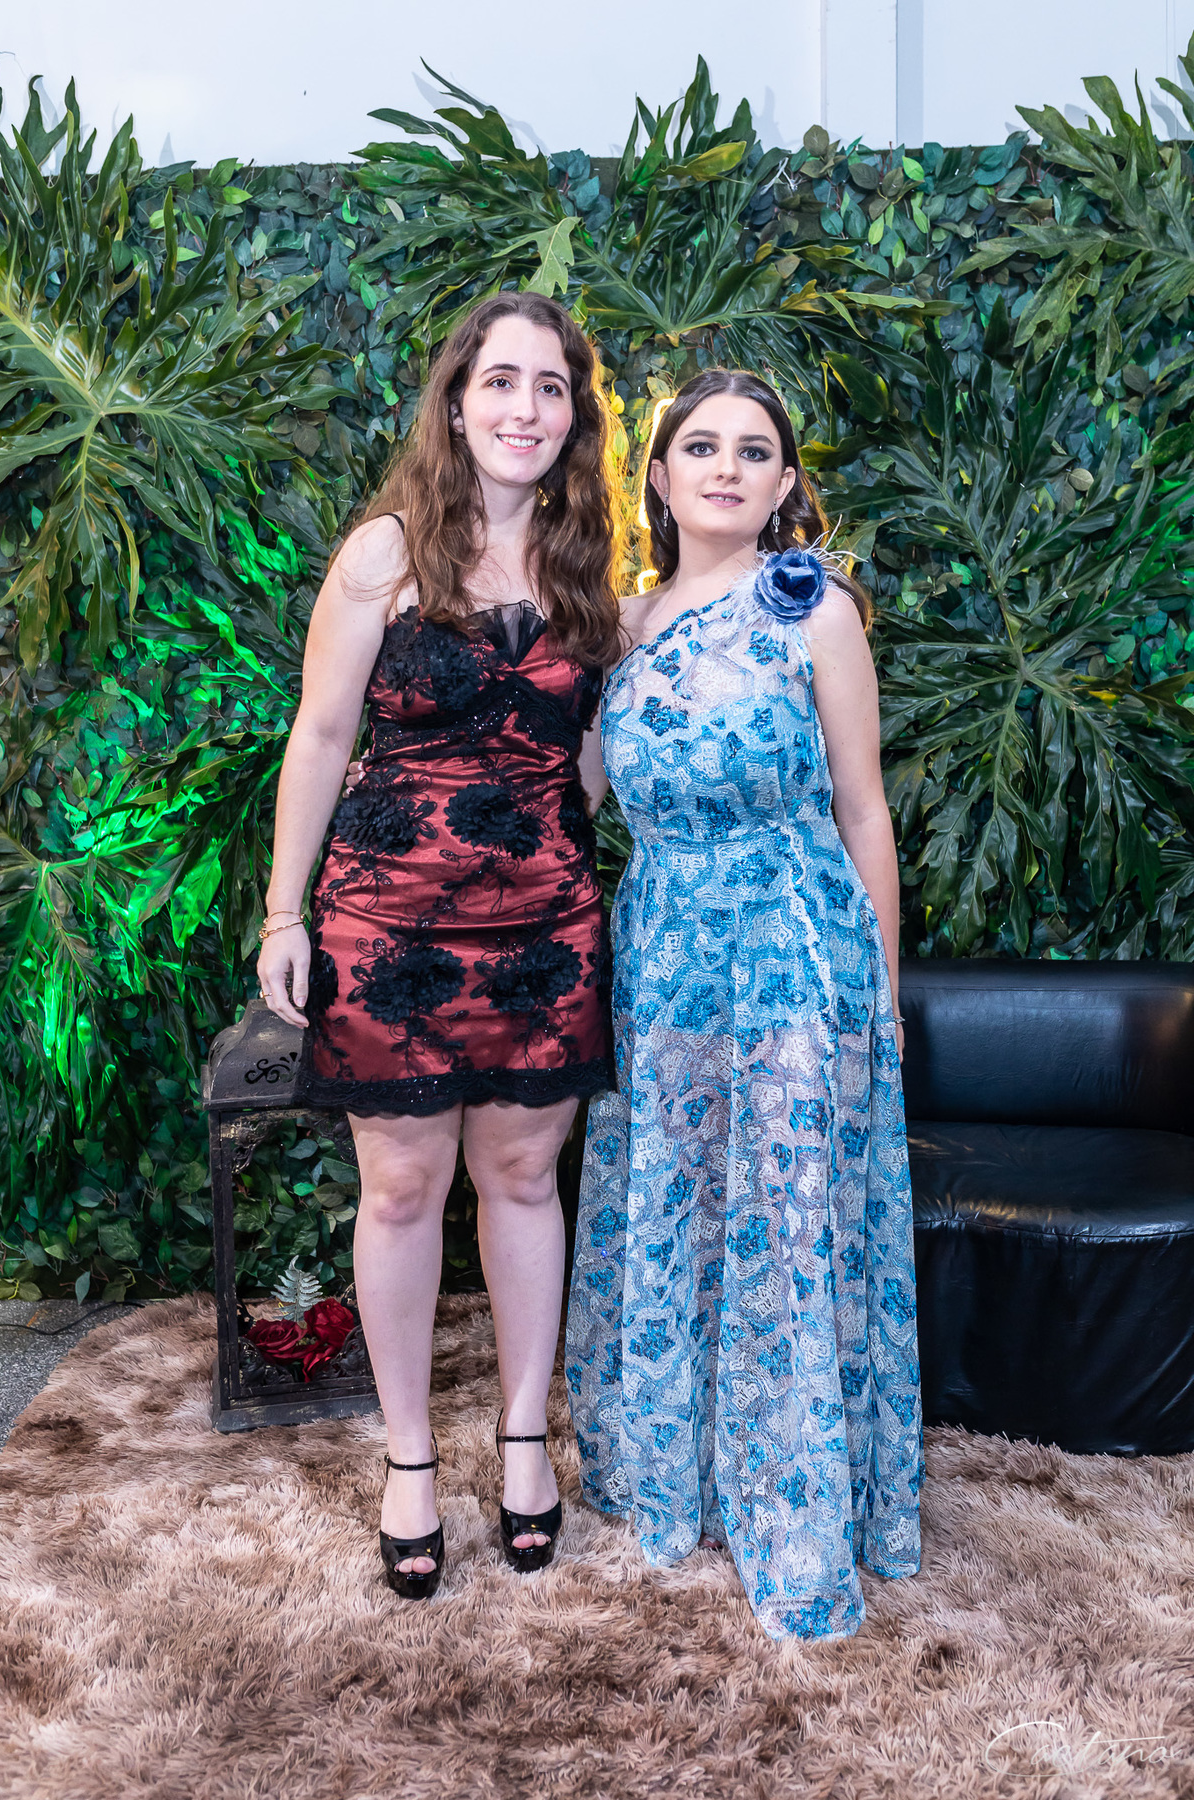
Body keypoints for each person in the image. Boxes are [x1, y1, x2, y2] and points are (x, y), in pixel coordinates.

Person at [257, 293, 622, 1599]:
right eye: (501, 381)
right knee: (403, 1188)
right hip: (386, 921)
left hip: (544, 929)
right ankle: (410, 1458)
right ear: (457, 403)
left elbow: (591, 762)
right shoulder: (384, 554)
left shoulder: (590, 573)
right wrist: (284, 914)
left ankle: (524, 1443)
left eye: (551, 387)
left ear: (574, 417)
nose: (526, 407)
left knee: (523, 1181)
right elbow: (319, 736)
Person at [565, 367, 922, 1642]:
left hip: (795, 948)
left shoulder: (814, 609)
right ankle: (679, 1476)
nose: (726, 467)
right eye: (701, 446)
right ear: (658, 479)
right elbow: (574, 801)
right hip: (662, 950)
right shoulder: (615, 627)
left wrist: (879, 993)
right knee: (675, 1202)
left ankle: (795, 1511)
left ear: (784, 485)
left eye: (754, 450)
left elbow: (864, 811)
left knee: (782, 1214)